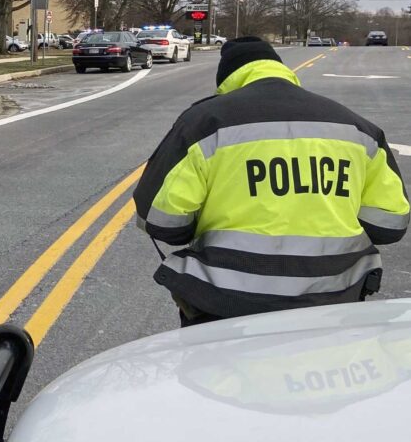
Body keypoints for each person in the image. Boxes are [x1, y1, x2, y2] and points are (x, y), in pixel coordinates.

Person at [134, 36, 409, 327]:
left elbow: (161, 222)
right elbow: (388, 225)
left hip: (226, 303)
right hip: (336, 298)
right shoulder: (356, 127)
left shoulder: (203, 123)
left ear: (227, 78)